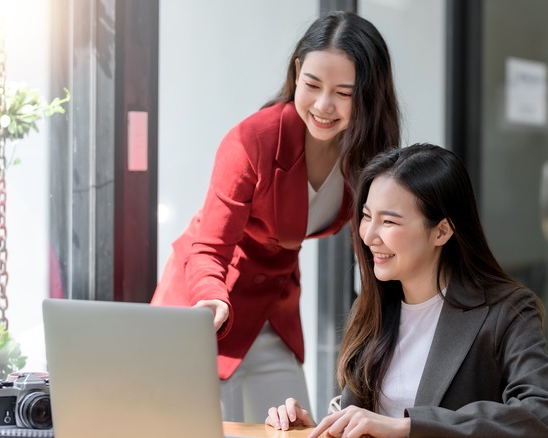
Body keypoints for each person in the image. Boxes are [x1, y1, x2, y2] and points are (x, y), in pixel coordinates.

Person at [151, 11, 400, 423]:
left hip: (273, 310)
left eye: (343, 92)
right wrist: (211, 297)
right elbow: (209, 246)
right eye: (313, 85)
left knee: (296, 425)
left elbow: (374, 249)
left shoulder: (367, 155)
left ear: (369, 94)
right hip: (209, 305)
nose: (323, 105)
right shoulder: (254, 139)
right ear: (297, 71)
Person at [266, 143, 548, 437]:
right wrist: (314, 427)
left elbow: (542, 414)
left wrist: (408, 427)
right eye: (367, 216)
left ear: (442, 231)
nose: (369, 235)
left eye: (388, 221)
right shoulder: (372, 306)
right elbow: (366, 421)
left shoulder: (505, 311)